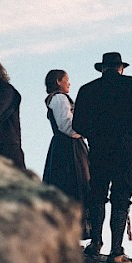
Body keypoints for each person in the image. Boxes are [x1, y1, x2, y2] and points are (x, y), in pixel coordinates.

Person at [72, 52, 132, 263]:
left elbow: (77, 125)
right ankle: (116, 251)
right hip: (125, 149)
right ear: (120, 68)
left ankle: (96, 242)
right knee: (121, 195)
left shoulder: (87, 89)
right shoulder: (131, 84)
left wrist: (94, 134)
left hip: (98, 149)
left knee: (97, 194)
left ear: (102, 69)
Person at [42, 69, 91, 237]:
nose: (69, 83)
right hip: (68, 149)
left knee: (68, 187)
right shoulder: (59, 98)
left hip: (67, 147)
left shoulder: (59, 99)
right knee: (73, 186)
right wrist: (85, 131)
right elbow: (66, 125)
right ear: (58, 82)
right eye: (66, 80)